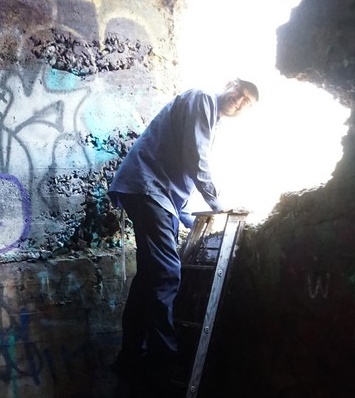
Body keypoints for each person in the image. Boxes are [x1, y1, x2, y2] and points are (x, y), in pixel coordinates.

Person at [107, 78, 259, 376]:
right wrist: (217, 204)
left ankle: (129, 356)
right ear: (229, 84)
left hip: (152, 192)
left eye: (247, 102)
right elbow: (196, 159)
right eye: (239, 92)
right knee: (166, 273)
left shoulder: (211, 120)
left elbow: (181, 177)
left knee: (149, 277)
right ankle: (164, 356)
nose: (239, 101)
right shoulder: (203, 98)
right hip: (147, 188)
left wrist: (192, 219)